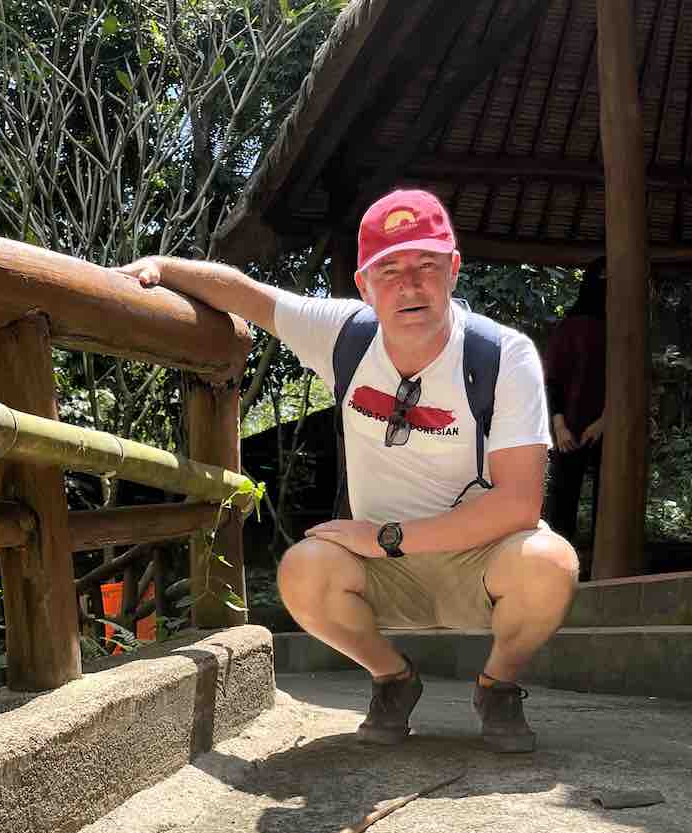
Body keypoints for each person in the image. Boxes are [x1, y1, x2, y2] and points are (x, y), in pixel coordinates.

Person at [118, 189, 578, 752]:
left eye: (426, 265)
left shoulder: (502, 356)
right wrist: (162, 268)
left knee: (550, 564)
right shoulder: (345, 335)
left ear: (453, 271)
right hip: (384, 573)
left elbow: (518, 504)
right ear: (364, 285)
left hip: (478, 560)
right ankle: (393, 679)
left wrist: (385, 537)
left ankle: (497, 685)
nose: (410, 285)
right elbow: (250, 297)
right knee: (302, 571)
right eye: (389, 270)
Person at [543, 258, 607, 547]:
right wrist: (560, 427)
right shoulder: (571, 328)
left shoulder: (625, 328)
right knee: (563, 498)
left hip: (607, 428)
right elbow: (553, 378)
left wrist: (607, 420)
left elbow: (628, 379)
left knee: (605, 500)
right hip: (570, 426)